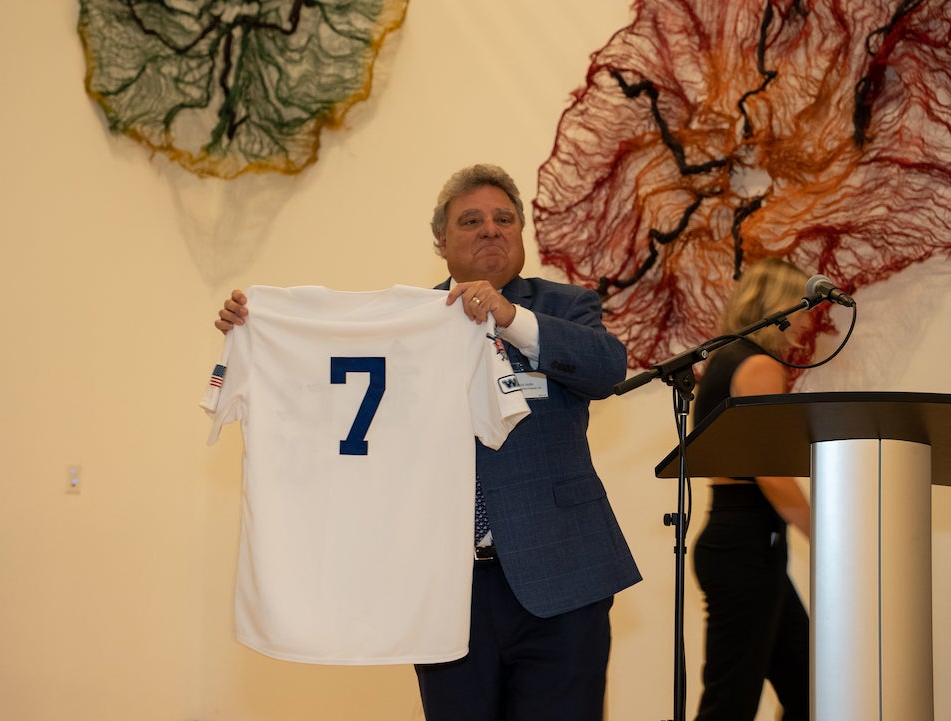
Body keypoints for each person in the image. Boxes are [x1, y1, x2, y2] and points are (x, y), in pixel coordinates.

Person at [215, 163, 641, 721]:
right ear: (440, 241)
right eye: (470, 220)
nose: (490, 228)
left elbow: (606, 370)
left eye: (503, 218)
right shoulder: (406, 324)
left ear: (520, 233)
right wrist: (258, 332)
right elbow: (322, 395)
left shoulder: (564, 305)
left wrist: (510, 317)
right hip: (443, 587)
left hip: (563, 577)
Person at [691, 257, 813, 721]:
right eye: (802, 305)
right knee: (730, 702)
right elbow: (771, 473)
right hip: (747, 547)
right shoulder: (760, 364)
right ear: (777, 306)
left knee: (806, 686)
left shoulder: (727, 359)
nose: (807, 318)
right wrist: (827, 539)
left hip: (736, 541)